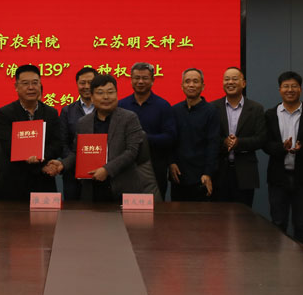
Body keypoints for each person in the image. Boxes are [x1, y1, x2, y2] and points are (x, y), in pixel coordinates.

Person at [60, 74, 159, 201]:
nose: (106, 97)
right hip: (92, 190)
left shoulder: (129, 118)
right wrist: (62, 164)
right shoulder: (83, 122)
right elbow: (77, 152)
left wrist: (106, 170)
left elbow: (132, 152)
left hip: (123, 189)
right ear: (92, 97)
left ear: (117, 94)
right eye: (100, 93)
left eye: (110, 92)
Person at [263, 71, 303, 247]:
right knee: (278, 223)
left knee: (301, 224)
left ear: (300, 89)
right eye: (286, 86)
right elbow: (265, 144)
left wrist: (302, 148)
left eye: (294, 86)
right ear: (280, 89)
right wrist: (282, 148)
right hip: (277, 178)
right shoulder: (270, 114)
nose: (290, 90)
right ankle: (277, 261)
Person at [0, 64, 64, 200]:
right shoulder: (4, 113)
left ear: (40, 85)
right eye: (25, 83)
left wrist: (40, 158)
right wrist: (38, 165)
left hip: (43, 182)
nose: (31, 87)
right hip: (13, 183)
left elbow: (57, 144)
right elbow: (9, 146)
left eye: (35, 83)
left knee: (46, 215)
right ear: (16, 86)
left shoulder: (51, 113)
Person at [210, 66, 266, 207]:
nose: (230, 82)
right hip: (219, 173)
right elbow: (209, 137)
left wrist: (239, 143)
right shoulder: (212, 108)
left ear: (243, 83)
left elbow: (261, 138)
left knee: (243, 216)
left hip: (245, 173)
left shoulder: (256, 109)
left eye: (235, 79)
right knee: (218, 215)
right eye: (227, 79)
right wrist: (224, 142)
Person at [118, 62, 176, 199]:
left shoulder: (163, 106)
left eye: (145, 78)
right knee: (126, 206)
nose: (140, 82)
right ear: (131, 80)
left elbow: (171, 137)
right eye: (136, 78)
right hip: (126, 167)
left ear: (152, 80)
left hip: (156, 167)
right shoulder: (121, 105)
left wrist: (142, 138)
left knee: (156, 207)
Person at [169, 68, 218, 201]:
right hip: (178, 175)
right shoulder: (174, 110)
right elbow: (171, 141)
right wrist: (171, 162)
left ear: (203, 86)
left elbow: (213, 144)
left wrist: (208, 173)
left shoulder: (211, 111)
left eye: (195, 81)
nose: (191, 85)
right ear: (182, 86)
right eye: (187, 81)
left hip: (201, 177)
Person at [59, 66, 97, 200]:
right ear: (77, 84)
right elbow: (63, 142)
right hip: (72, 173)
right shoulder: (67, 111)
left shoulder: (105, 109)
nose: (86, 86)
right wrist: (75, 163)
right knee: (72, 210)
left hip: (100, 171)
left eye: (90, 82)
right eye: (82, 83)